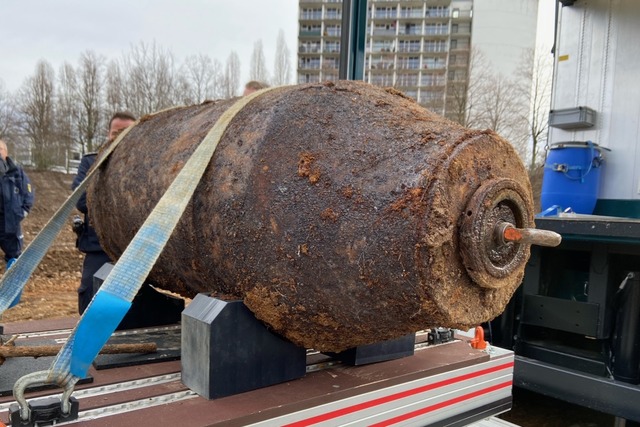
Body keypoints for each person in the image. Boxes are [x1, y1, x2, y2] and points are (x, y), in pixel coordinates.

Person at [72, 111, 136, 314]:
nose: (119, 138)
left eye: (126, 132)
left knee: (133, 309)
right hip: (99, 249)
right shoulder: (91, 162)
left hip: (134, 252)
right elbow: (82, 200)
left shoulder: (144, 166)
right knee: (91, 303)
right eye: (115, 133)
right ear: (108, 134)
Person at [0, 139, 34, 270]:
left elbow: (28, 192)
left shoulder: (17, 172)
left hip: (10, 224)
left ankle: (14, 289)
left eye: (0, 149)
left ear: (6, 153)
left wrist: (22, 212)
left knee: (14, 259)